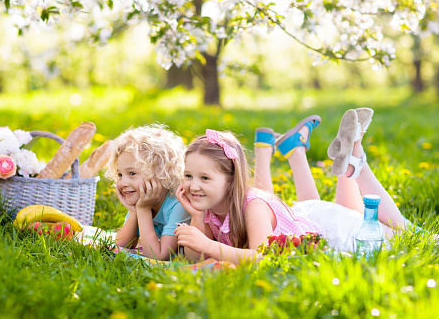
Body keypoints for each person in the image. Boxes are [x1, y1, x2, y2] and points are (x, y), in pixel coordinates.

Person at [174, 109, 410, 264]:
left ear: (231, 180)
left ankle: (355, 158)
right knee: (374, 223)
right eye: (188, 175)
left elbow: (261, 258)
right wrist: (196, 217)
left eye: (204, 178)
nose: (194, 185)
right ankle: (352, 159)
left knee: (404, 236)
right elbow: (195, 258)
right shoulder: (210, 210)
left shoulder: (253, 207)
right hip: (313, 219)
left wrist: (209, 245)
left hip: (334, 232)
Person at [105, 124, 191, 260]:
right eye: (120, 174)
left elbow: (159, 256)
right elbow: (122, 244)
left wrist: (143, 210)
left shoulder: (179, 204)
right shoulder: (144, 200)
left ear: (161, 174)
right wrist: (134, 211)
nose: (122, 183)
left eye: (132, 173)